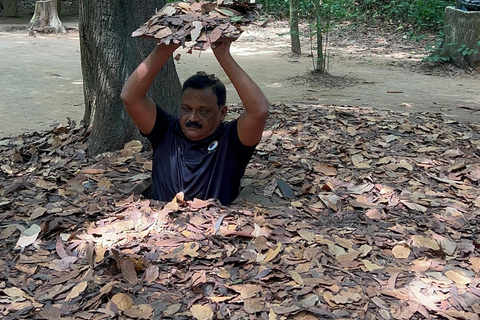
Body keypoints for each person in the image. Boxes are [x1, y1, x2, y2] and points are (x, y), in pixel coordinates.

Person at [121, 41, 269, 205]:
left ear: (222, 113)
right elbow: (130, 97)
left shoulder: (231, 140)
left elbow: (259, 111)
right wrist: (164, 48)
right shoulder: (165, 130)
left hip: (214, 227)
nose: (192, 118)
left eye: (203, 111)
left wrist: (222, 53)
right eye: (186, 109)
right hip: (162, 226)